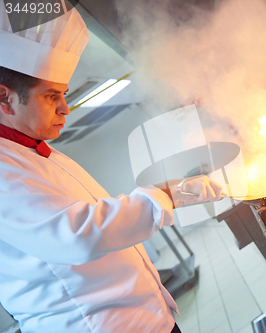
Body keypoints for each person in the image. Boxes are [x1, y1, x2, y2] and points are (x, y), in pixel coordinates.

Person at [0, 3, 222, 333]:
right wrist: (167, 194)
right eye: (51, 96)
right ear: (4, 98)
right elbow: (78, 235)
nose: (65, 108)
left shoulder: (34, 153)